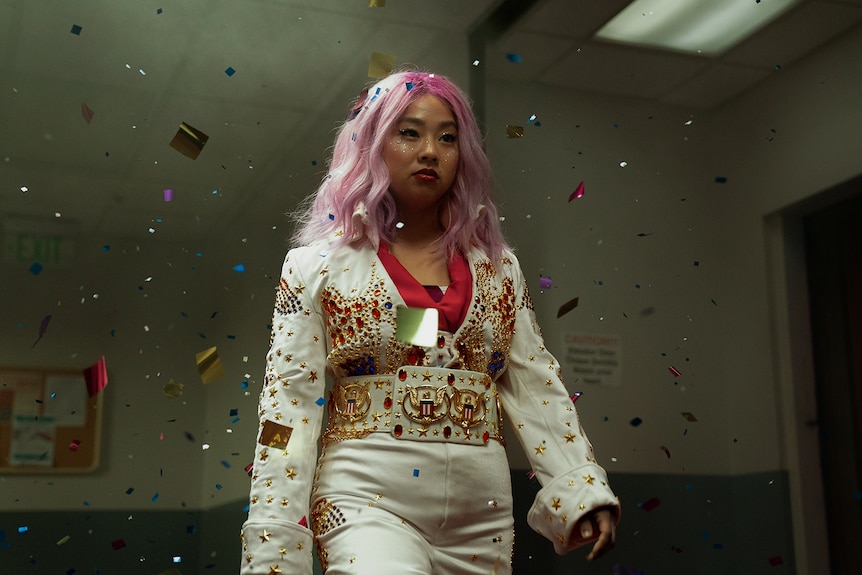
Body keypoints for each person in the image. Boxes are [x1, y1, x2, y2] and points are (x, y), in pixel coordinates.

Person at [239, 69, 620, 575]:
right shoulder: (316, 267)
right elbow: (288, 410)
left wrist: (580, 490)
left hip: (481, 514)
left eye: (448, 137)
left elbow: (533, 381)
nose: (430, 152)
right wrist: (274, 551)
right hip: (364, 499)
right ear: (372, 144)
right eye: (409, 132)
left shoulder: (499, 267)